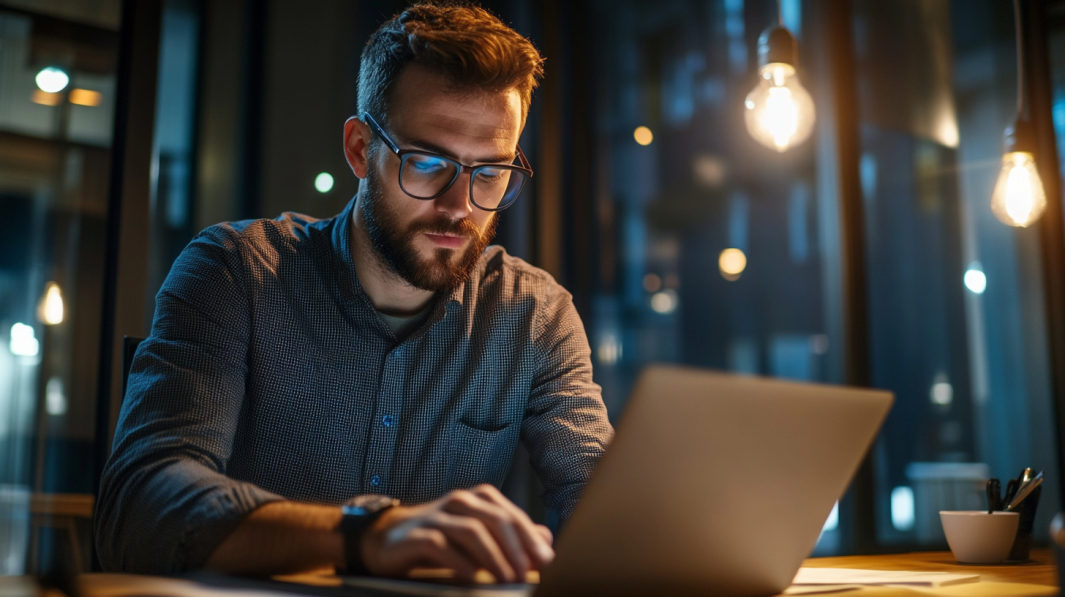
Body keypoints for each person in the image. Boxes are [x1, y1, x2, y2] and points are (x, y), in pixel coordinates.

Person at [94, 1, 612, 583]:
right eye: (426, 163)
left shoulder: (536, 315)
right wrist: (364, 536)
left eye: (489, 172)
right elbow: (137, 509)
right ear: (361, 150)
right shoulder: (235, 272)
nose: (459, 206)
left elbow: (607, 510)